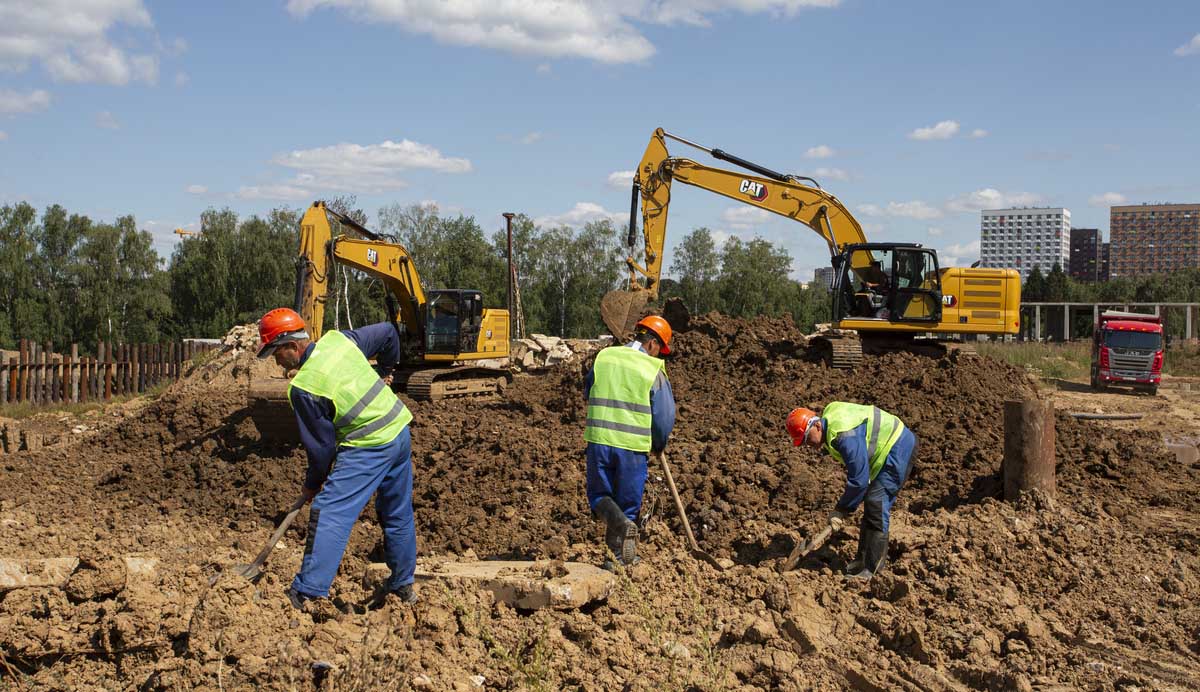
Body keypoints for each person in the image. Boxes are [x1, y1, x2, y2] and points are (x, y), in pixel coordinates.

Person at [255, 307, 417, 608]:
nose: (275, 361)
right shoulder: (339, 341)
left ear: (292, 346)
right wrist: (385, 370)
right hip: (398, 430)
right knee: (397, 513)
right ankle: (402, 587)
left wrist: (313, 484)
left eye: (276, 353)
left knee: (329, 511)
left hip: (370, 444)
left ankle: (308, 593)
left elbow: (321, 449)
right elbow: (388, 332)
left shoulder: (304, 388)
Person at [583, 315, 677, 569]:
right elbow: (664, 416)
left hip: (599, 441)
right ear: (652, 344)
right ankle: (623, 555)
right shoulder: (652, 369)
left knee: (599, 496)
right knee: (628, 503)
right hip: (633, 447)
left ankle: (615, 554)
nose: (659, 356)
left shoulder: (605, 357)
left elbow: (588, 389)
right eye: (660, 350)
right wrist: (658, 442)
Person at [785, 402, 917, 580]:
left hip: (899, 447)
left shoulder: (844, 435)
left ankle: (873, 570)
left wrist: (841, 510)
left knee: (876, 503)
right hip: (887, 451)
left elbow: (859, 480)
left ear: (816, 425)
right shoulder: (831, 423)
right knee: (871, 505)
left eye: (807, 439)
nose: (808, 445)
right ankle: (861, 562)